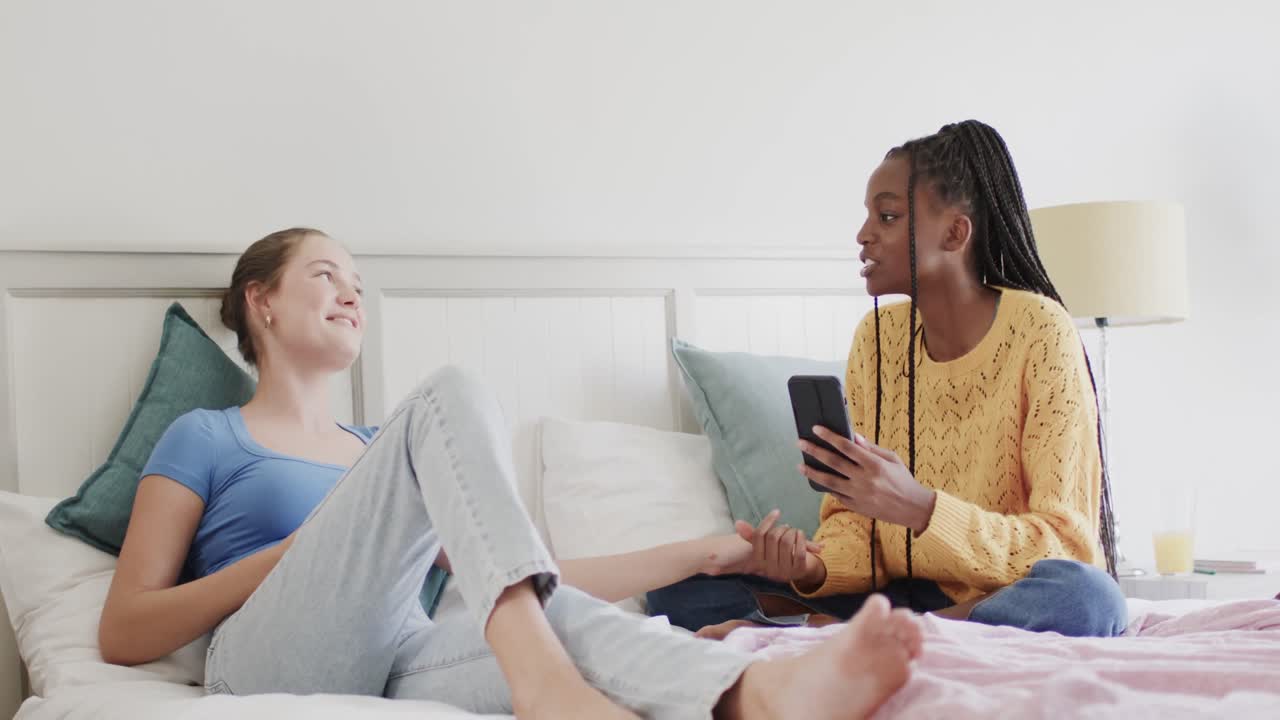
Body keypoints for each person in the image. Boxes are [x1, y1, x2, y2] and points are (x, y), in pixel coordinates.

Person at [99, 227, 924, 719]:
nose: (352, 295)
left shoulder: (378, 448)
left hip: (396, 655)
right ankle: (544, 686)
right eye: (325, 277)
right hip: (263, 659)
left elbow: (521, 574)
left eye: (358, 285)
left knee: (566, 620)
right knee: (449, 394)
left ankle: (758, 695)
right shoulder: (206, 434)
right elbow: (125, 629)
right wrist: (286, 558)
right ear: (260, 302)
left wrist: (705, 553)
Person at [648, 120, 1128, 640]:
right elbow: (856, 528)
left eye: (889, 216)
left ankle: (844, 636)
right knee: (676, 591)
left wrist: (921, 508)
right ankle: (868, 630)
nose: (863, 234)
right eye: (869, 216)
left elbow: (1066, 547)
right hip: (895, 596)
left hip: (998, 594)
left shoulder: (1040, 331)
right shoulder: (877, 339)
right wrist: (809, 567)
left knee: (1087, 598)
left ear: (955, 233)